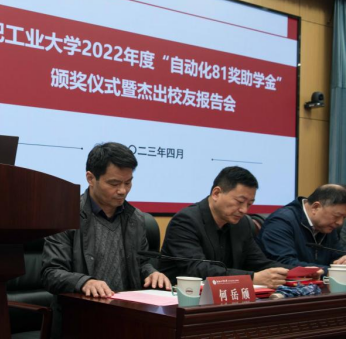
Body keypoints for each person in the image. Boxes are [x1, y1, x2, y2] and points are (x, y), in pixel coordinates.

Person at [41, 142, 170, 338]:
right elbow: (51, 273)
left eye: (128, 183)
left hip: (127, 317)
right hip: (81, 320)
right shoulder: (66, 214)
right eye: (114, 183)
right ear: (90, 178)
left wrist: (152, 273)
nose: (123, 191)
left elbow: (141, 263)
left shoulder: (135, 218)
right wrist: (84, 282)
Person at [159, 166, 290, 288]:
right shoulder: (185, 221)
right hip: (181, 297)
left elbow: (258, 262)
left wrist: (293, 273)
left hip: (225, 296)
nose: (244, 210)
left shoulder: (242, 223)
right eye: (239, 202)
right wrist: (252, 278)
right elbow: (197, 269)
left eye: (249, 204)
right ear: (216, 193)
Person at [256, 184, 346, 273]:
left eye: (344, 217)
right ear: (315, 207)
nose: (340, 222)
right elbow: (284, 263)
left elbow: (338, 257)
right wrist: (330, 271)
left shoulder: (327, 226)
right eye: (337, 216)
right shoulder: (281, 222)